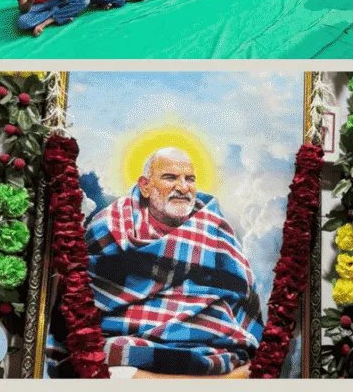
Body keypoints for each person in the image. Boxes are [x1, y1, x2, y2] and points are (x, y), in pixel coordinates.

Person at [86, 147, 263, 376]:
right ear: (145, 186)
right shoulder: (109, 227)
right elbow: (83, 304)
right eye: (170, 177)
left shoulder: (216, 230)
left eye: (189, 179)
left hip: (213, 350)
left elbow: (246, 300)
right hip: (128, 352)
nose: (182, 187)